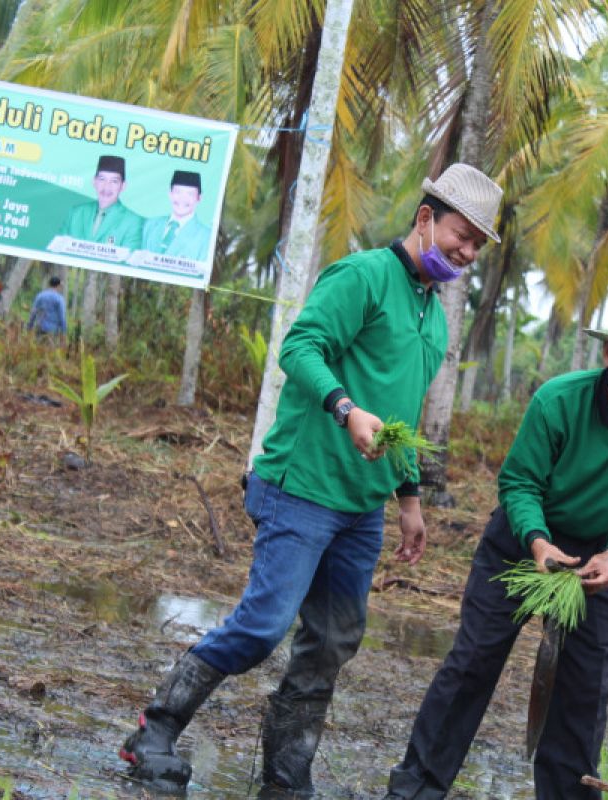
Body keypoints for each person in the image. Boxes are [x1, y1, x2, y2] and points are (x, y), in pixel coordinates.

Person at [118, 163, 504, 795]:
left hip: (360, 508)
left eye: (477, 247)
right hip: (301, 486)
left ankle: (286, 776)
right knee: (264, 626)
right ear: (427, 218)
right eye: (462, 236)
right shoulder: (363, 277)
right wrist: (345, 410)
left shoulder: (434, 316)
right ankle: (153, 730)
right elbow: (299, 349)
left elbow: (401, 419)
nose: (466, 253)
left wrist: (409, 500)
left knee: (331, 642)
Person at [385, 299, 608, 799]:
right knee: (473, 663)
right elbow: (520, 483)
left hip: (598, 559)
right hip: (522, 540)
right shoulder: (558, 400)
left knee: (584, 691)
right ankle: (414, 790)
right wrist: (538, 542)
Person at [58, 155, 143, 248]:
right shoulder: (76, 212)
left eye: (114, 181)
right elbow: (58, 246)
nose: (106, 187)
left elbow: (128, 257)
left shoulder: (133, 221)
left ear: (123, 186)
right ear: (94, 181)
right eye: (102, 179)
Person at [141, 170, 212, 260]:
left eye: (190, 194)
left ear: (199, 198)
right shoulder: (151, 224)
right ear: (170, 194)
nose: (182, 198)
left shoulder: (207, 236)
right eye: (178, 192)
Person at [26, 275, 66, 340]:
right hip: (52, 331)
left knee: (38, 348)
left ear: (49, 284)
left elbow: (33, 312)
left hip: (39, 328)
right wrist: (63, 332)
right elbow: (62, 317)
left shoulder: (40, 295)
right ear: (58, 286)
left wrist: (29, 326)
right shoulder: (60, 299)